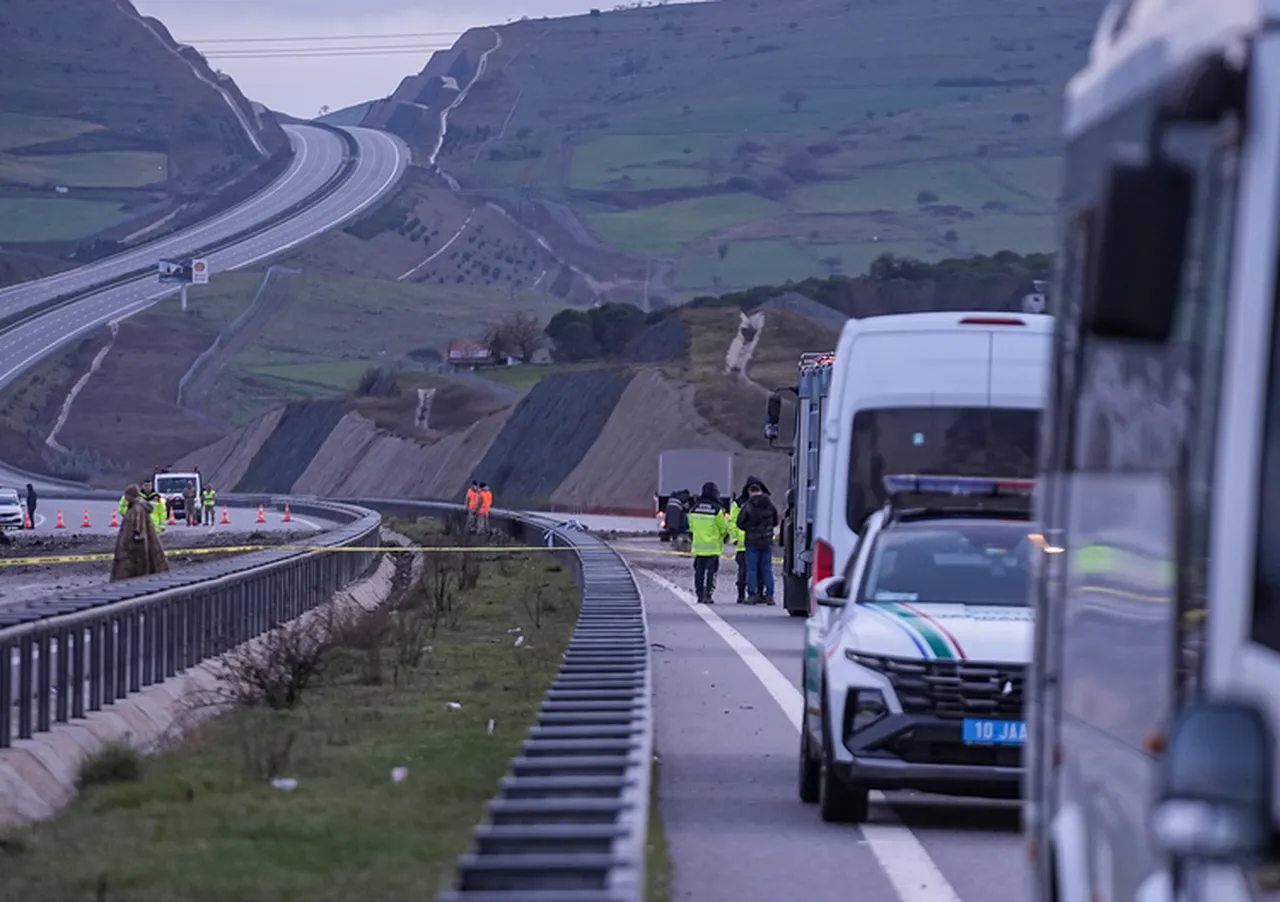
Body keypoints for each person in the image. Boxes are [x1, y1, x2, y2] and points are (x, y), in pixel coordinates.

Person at [110, 484, 169, 582]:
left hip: (133, 545)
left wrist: (132, 541)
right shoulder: (137, 506)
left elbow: (138, 528)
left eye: (127, 495)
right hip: (139, 542)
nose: (125, 497)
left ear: (132, 495)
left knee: (129, 567)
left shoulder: (136, 509)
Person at [736, 476, 779, 605]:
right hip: (766, 541)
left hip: (752, 542)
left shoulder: (748, 505)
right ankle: (769, 595)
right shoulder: (770, 505)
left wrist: (750, 528)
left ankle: (752, 595)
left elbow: (740, 523)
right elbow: (776, 522)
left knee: (752, 569)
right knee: (767, 569)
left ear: (750, 492)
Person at [688, 481, 729, 604]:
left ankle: (699, 594)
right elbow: (723, 528)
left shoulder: (694, 508)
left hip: (699, 547)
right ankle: (708, 595)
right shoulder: (717, 510)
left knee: (698, 573)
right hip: (713, 547)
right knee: (711, 573)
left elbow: (691, 526)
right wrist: (722, 537)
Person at [728, 483, 749, 604]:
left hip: (744, 543)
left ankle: (746, 594)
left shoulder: (738, 503)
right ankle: (744, 594)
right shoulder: (738, 503)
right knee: (745, 570)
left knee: (744, 570)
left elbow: (732, 523)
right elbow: (732, 522)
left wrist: (735, 538)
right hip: (745, 544)